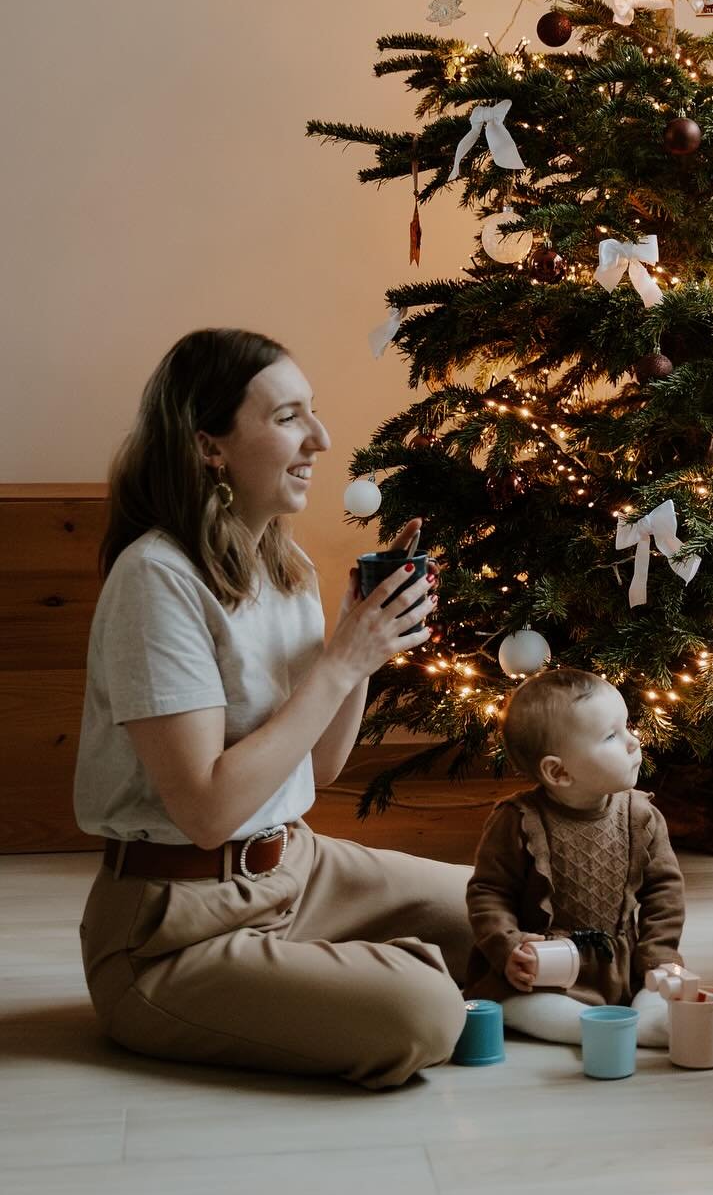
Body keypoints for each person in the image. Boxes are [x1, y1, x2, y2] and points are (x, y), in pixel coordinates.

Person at [75, 328, 473, 1090]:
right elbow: (207, 812)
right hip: (173, 927)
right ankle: (419, 985)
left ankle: (370, 978)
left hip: (297, 868)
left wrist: (366, 646)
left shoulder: (281, 566)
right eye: (290, 417)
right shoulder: (156, 579)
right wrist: (341, 661)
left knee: (493, 900)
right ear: (210, 447)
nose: (321, 438)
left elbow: (318, 769)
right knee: (420, 1012)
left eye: (311, 413)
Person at [465, 667, 685, 1048]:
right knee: (517, 1005)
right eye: (611, 736)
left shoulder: (641, 816)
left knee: (665, 983)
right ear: (560, 771)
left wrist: (660, 955)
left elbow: (664, 892)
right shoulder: (517, 821)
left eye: (627, 726)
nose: (633, 742)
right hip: (550, 968)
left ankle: (646, 1018)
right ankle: (600, 1028)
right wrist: (509, 946)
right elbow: (489, 892)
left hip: (624, 965)